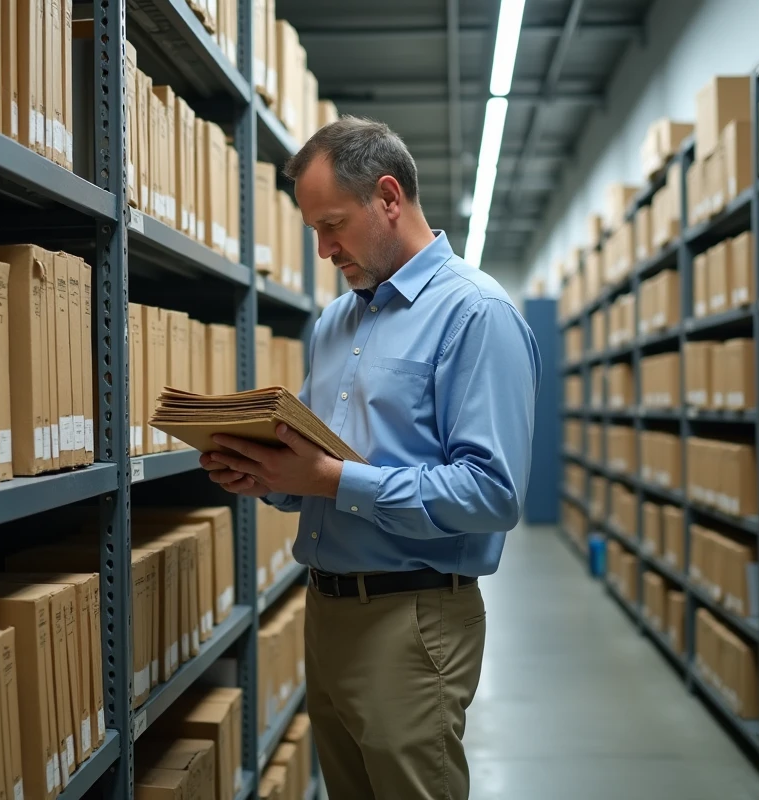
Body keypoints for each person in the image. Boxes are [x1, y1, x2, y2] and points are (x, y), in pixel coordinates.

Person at [199, 116, 542, 799]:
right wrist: (268, 475)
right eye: (314, 230)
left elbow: (491, 493)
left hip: (412, 621)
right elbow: (315, 464)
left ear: (389, 197)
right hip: (326, 611)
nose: (323, 249)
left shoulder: (476, 312)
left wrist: (332, 480)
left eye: (333, 225)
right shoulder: (336, 322)